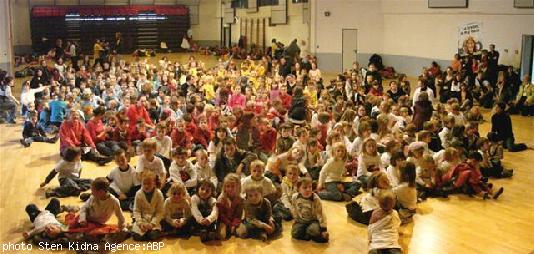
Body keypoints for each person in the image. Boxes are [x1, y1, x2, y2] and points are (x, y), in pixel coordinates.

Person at [290, 177, 329, 243]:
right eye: (304, 188)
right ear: (299, 189)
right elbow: (294, 209)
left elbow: (321, 214)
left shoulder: (316, 199)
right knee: (294, 233)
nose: (308, 190)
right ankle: (309, 234)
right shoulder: (295, 197)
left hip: (313, 221)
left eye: (310, 187)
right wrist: (295, 219)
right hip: (301, 220)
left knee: (314, 231)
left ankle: (315, 234)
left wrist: (324, 229)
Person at [132, 172, 165, 241]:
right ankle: (143, 232)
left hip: (154, 220)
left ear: (154, 183)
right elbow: (136, 210)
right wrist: (140, 223)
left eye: (149, 183)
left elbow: (160, 212)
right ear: (141, 183)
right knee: (137, 237)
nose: (146, 186)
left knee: (152, 236)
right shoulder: (138, 194)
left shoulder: (159, 194)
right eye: (144, 183)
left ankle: (152, 232)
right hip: (143, 220)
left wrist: (153, 224)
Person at [216, 173, 244, 239]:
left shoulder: (240, 199)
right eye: (228, 186)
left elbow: (238, 215)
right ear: (224, 187)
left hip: (235, 221)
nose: (230, 189)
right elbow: (221, 215)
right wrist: (229, 224)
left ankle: (232, 230)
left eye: (233, 186)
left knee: (242, 233)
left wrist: (234, 224)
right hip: (223, 221)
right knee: (222, 236)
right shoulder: (221, 199)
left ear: (238, 187)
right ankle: (227, 230)